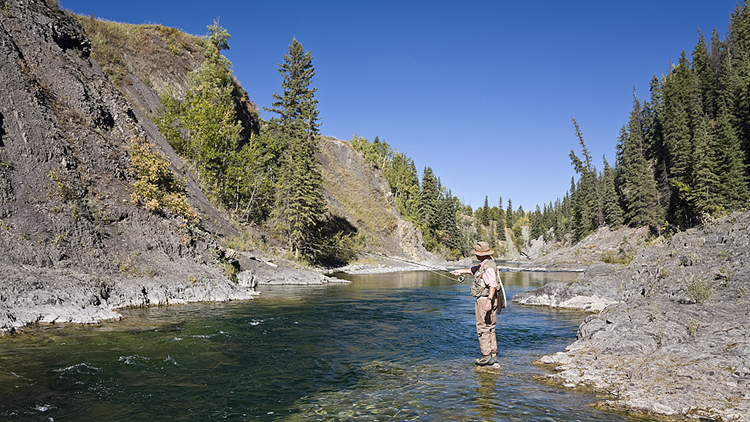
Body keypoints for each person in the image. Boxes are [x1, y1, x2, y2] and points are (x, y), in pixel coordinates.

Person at [451, 241, 500, 366]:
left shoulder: (488, 268)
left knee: (482, 327)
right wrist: (459, 271)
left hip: (485, 299)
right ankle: (493, 353)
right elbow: (473, 270)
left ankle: (486, 356)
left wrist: (488, 301)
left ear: (481, 255)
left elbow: (493, 285)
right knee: (490, 326)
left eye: (477, 254)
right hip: (491, 298)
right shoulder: (486, 264)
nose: (476, 256)